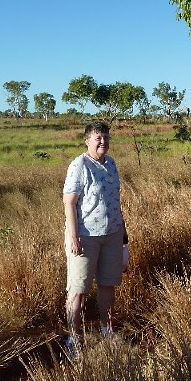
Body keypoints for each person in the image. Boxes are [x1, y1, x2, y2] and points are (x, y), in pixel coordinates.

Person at [63, 121, 128, 355]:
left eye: (106, 137)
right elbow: (69, 202)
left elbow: (116, 204)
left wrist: (124, 241)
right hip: (85, 236)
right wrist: (74, 236)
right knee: (78, 289)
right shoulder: (79, 165)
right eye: (98, 138)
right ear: (87, 141)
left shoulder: (111, 164)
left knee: (107, 285)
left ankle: (107, 330)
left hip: (112, 234)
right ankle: (74, 340)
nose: (103, 142)